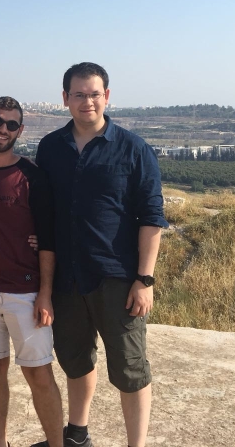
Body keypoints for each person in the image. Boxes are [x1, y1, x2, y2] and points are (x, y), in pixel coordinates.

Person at [35, 63, 168, 447]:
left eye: (94, 94)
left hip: (117, 279)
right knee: (75, 361)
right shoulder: (51, 148)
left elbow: (152, 217)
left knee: (130, 370)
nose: (87, 102)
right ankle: (78, 434)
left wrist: (144, 280)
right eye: (78, 94)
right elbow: (45, 213)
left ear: (106, 96)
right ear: (65, 99)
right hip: (67, 278)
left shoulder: (133, 148)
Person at [0, 96, 64, 447]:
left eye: (11, 124)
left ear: (20, 130)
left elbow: (47, 239)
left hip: (25, 293)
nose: (2, 129)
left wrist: (45, 294)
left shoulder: (33, 176)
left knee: (39, 374)